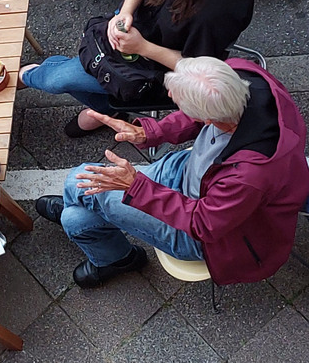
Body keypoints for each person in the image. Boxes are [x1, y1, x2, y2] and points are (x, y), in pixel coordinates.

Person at [36, 56, 309, 289]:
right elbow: (197, 110)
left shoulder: (250, 177)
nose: (169, 98)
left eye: (178, 102)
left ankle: (110, 245)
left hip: (202, 229)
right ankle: (112, 255)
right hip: (193, 178)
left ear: (209, 119)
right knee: (75, 218)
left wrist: (136, 187)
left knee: (78, 183)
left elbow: (203, 223)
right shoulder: (239, 78)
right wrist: (148, 132)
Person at [20, 0, 255, 135]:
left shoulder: (221, 9)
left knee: (57, 80)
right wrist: (125, 11)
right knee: (79, 70)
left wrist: (143, 47)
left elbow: (199, 68)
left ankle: (26, 77)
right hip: (140, 29)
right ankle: (108, 110)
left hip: (162, 69)